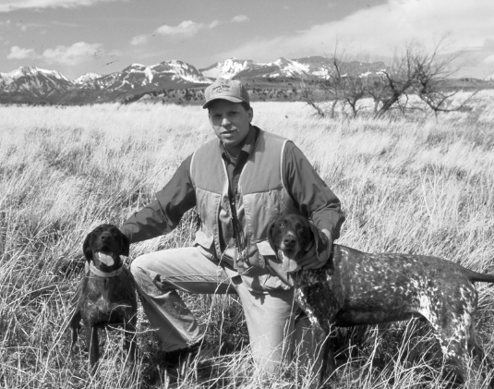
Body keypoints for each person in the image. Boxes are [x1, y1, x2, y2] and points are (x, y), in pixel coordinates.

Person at [119, 78, 345, 373]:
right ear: (210, 119)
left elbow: (325, 206)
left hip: (269, 275)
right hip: (216, 262)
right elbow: (163, 211)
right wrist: (117, 235)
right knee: (144, 269)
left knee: (271, 375)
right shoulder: (199, 160)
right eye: (217, 115)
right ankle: (187, 347)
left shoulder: (282, 153)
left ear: (249, 113)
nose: (225, 122)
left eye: (233, 113)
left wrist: (323, 240)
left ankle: (300, 318)